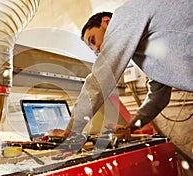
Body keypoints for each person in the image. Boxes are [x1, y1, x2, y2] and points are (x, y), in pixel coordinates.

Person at [49, 0, 192, 137]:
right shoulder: (148, 50)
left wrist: (70, 131)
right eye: (95, 51)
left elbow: (100, 80)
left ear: (106, 21)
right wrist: (131, 126)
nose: (98, 49)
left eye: (93, 40)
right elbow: (158, 97)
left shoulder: (123, 15)